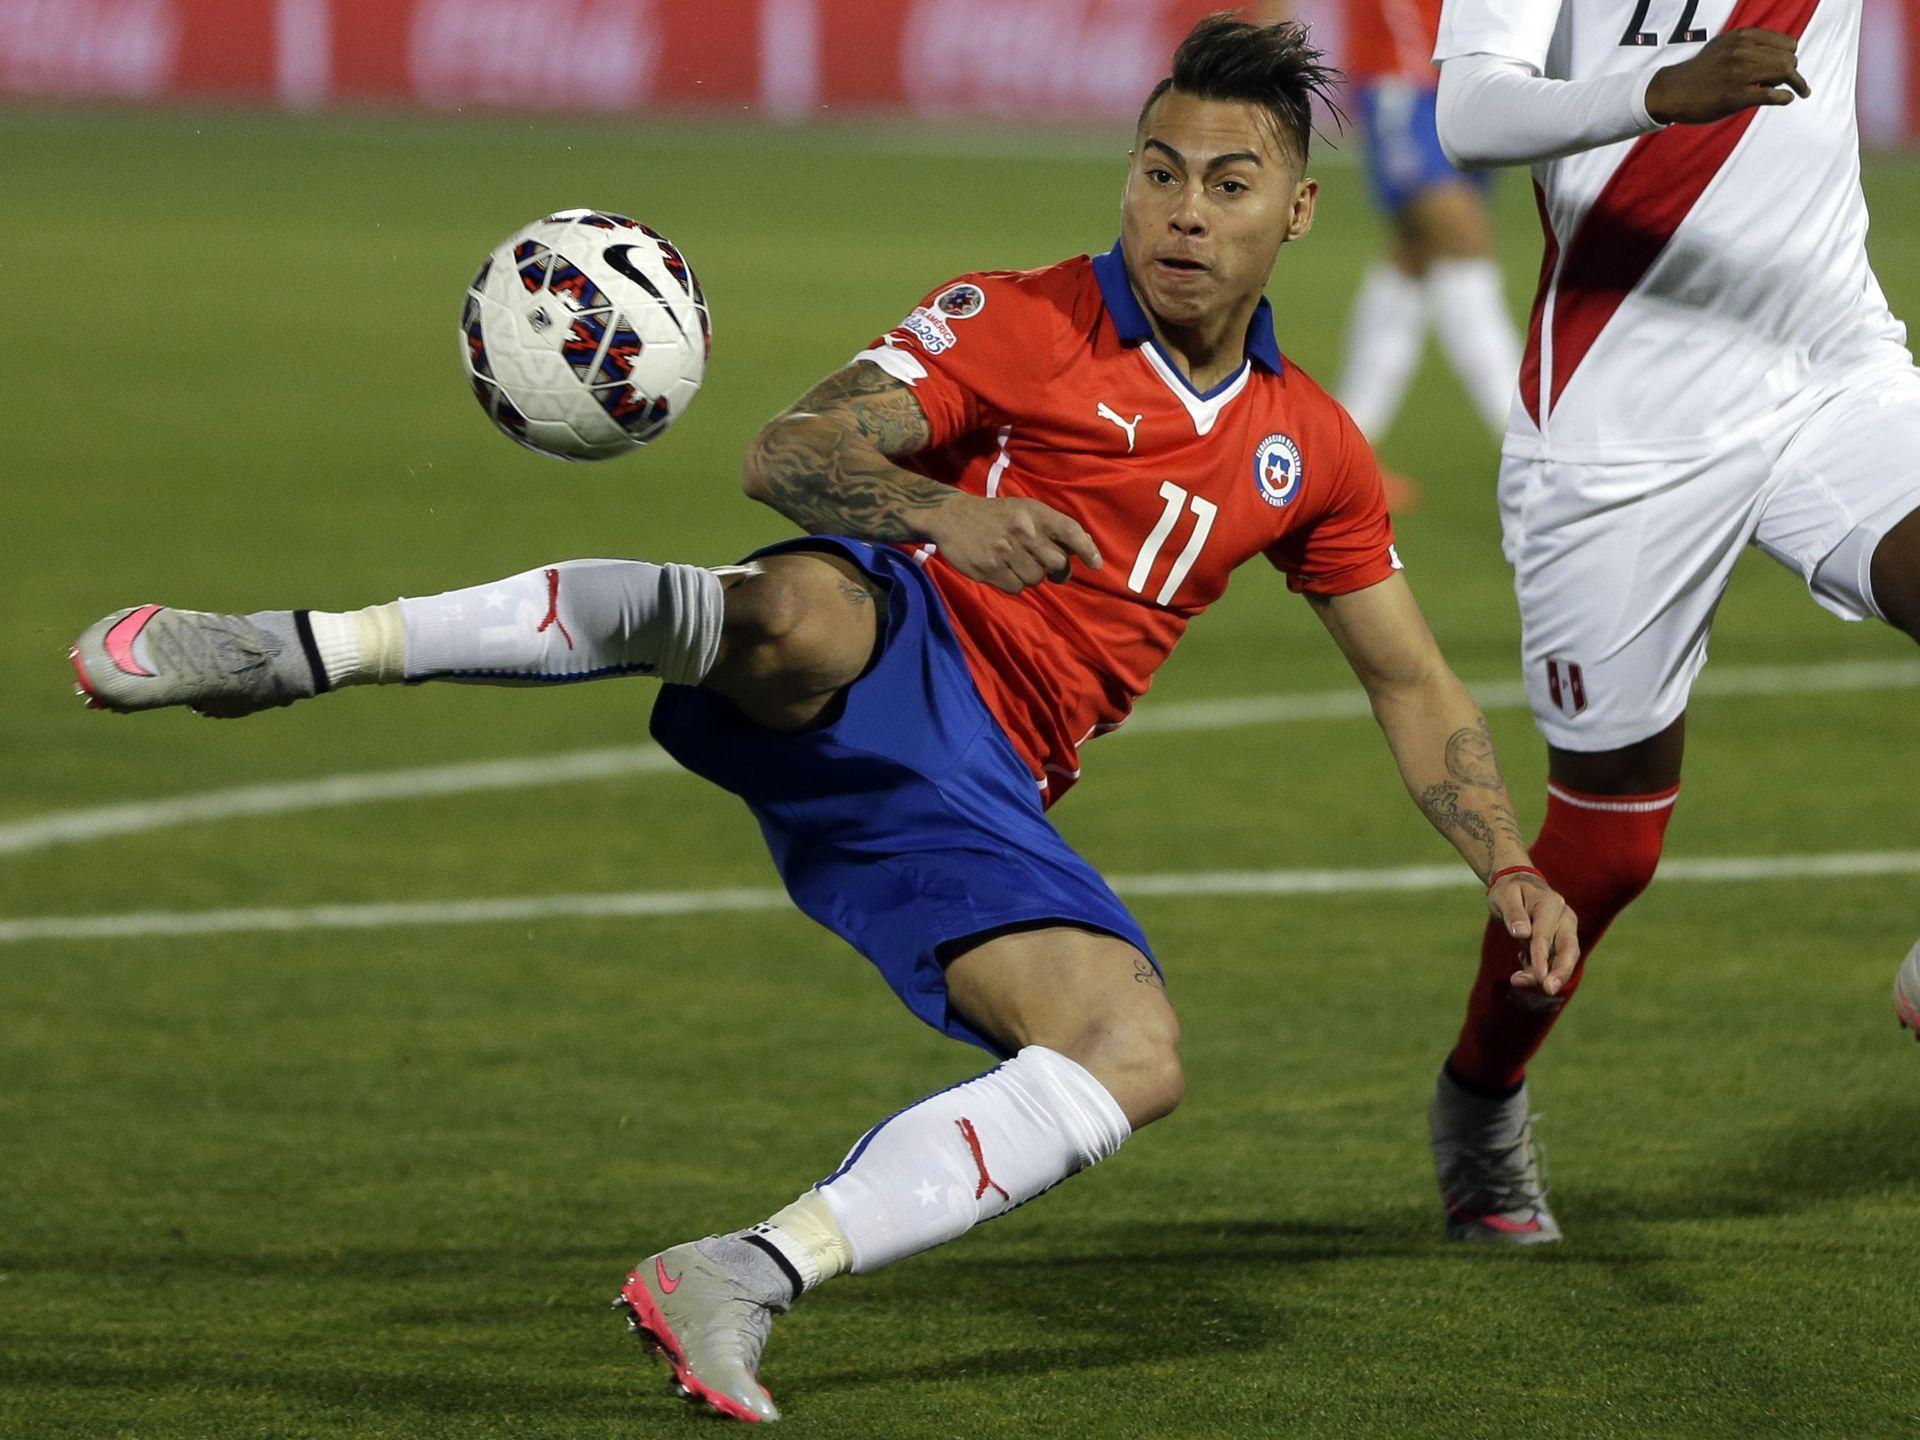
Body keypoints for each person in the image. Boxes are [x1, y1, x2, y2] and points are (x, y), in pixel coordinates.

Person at [69, 17, 1577, 1425]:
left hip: (975, 790)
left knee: (1131, 1051)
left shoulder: (1306, 447)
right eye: (1159, 171)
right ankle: (290, 649)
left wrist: (1507, 858)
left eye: (1229, 183)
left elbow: (1410, 677)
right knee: (796, 615)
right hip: (893, 633)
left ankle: (737, 1272)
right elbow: (789, 450)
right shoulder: (1018, 321)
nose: (1185, 211)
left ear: (1295, 212)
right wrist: (939, 515)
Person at [1421, 0, 1920, 1245]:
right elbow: (1469, 110)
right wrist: (1658, 91)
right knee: (1605, 855)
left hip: (1829, 369)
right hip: (1618, 430)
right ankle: (1481, 1098)